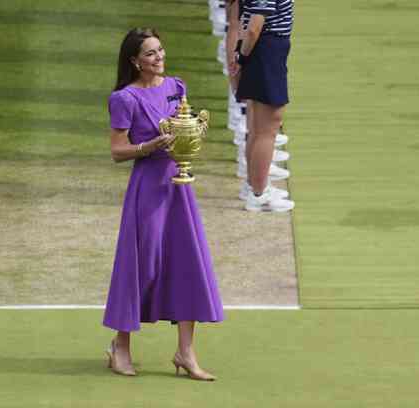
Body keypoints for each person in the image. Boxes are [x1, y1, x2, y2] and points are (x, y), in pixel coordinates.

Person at [103, 27, 224, 380]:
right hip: (148, 190)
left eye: (161, 50)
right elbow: (116, 151)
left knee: (186, 263)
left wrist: (190, 141)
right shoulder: (124, 98)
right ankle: (120, 346)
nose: (159, 58)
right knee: (143, 265)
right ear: (134, 61)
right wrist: (151, 146)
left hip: (179, 187)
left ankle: (185, 353)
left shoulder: (177, 88)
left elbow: (185, 132)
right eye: (151, 54)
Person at [232, 0, 295, 212]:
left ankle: (254, 187)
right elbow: (253, 28)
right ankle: (259, 194)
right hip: (266, 51)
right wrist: (241, 58)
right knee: (268, 128)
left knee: (258, 128)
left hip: (263, 50)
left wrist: (242, 56)